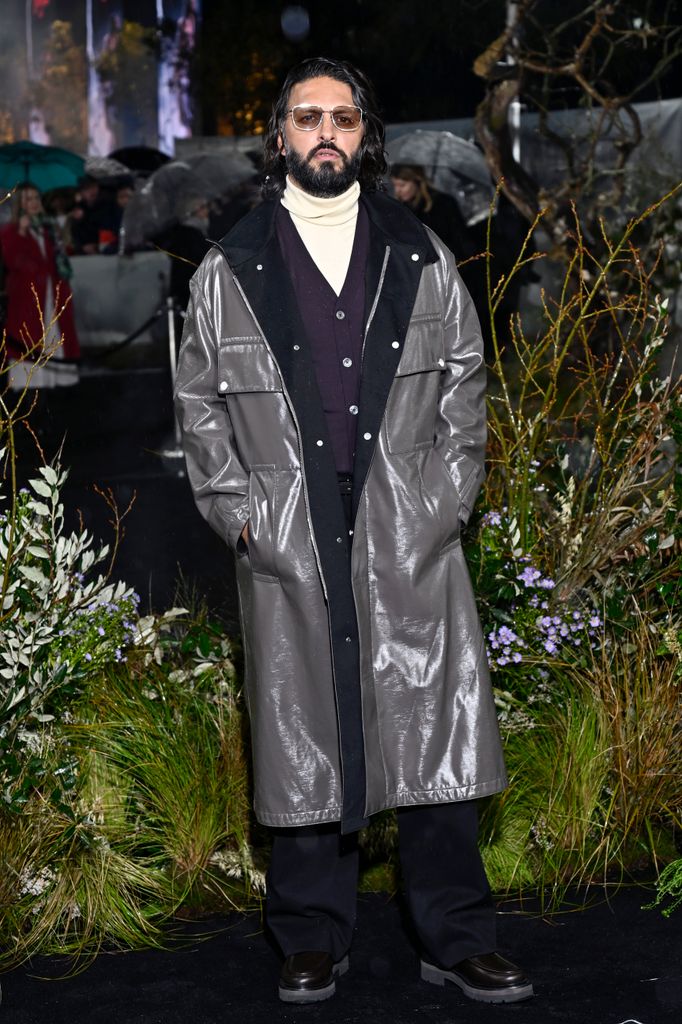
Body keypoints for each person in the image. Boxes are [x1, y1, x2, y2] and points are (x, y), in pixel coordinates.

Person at [174, 57, 533, 1007]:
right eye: (306, 117)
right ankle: (311, 935)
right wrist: (243, 518)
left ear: (364, 134)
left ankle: (455, 935)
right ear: (281, 137)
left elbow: (466, 378)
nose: (324, 132)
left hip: (407, 522)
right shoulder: (231, 266)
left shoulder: (419, 251)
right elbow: (199, 405)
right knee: (305, 733)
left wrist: (449, 497)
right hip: (290, 529)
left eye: (341, 117)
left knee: (435, 728)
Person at [0, 182, 80, 388]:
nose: (34, 203)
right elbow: (10, 260)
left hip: (52, 298)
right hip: (27, 301)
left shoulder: (47, 229)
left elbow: (61, 259)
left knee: (53, 341)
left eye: (36, 198)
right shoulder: (10, 231)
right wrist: (20, 233)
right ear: (20, 203)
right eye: (28, 199)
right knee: (29, 343)